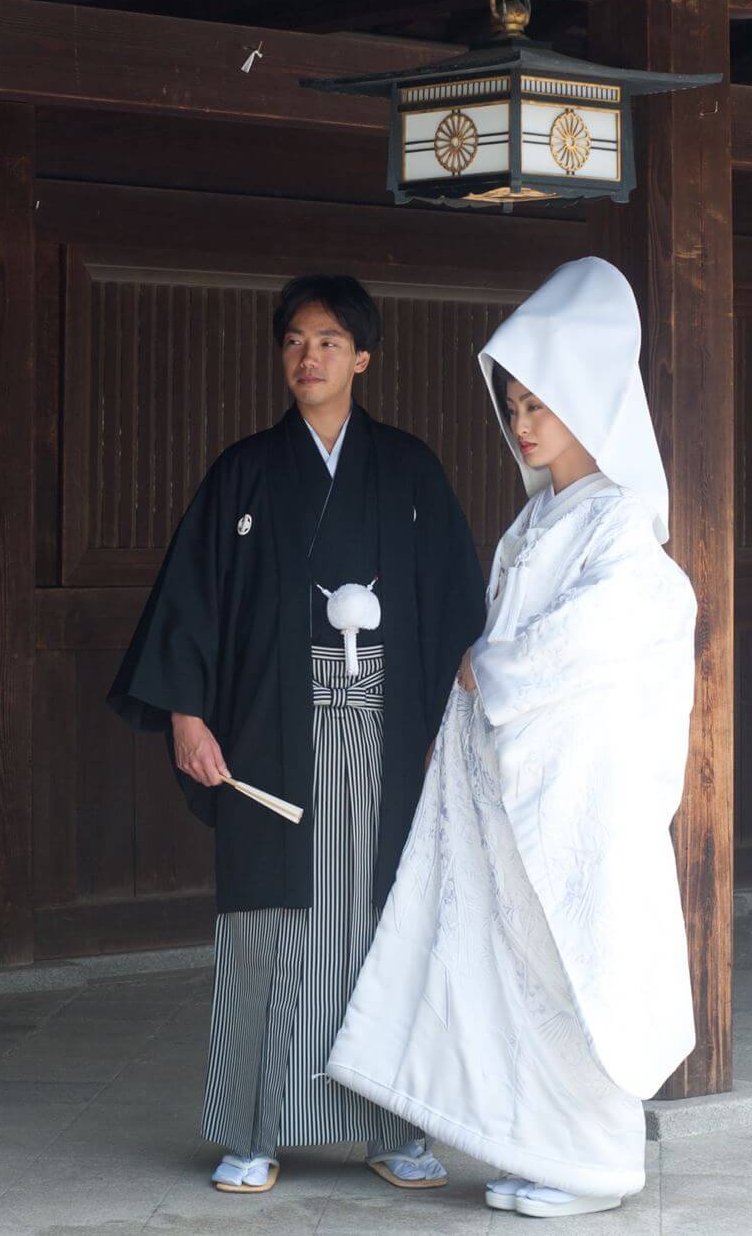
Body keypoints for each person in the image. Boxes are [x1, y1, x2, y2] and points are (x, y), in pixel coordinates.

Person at [326, 256, 698, 1220]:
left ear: (587, 403)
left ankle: (602, 1161)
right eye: (516, 404)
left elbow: (604, 633)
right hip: (517, 783)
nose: (523, 423)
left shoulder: (620, 522)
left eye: (541, 403)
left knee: (583, 966)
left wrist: (489, 670)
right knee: (525, 970)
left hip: (576, 794)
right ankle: (546, 1146)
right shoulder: (537, 520)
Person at [107, 274, 486, 1195]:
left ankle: (396, 1127)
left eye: (325, 341)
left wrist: (447, 726)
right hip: (268, 736)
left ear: (362, 356)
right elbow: (191, 602)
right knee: (268, 929)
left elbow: (456, 607)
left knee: (385, 925)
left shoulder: (407, 469)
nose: (306, 357)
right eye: (292, 341)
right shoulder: (244, 470)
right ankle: (253, 1127)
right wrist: (187, 715)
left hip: (388, 736)